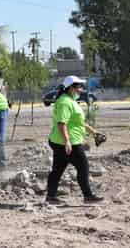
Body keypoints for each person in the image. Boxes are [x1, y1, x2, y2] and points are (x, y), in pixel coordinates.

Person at [46, 75, 104, 204]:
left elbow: (80, 122)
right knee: (83, 167)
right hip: (68, 142)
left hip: (63, 142)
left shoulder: (70, 101)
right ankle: (88, 196)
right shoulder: (64, 102)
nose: (81, 89)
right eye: (78, 86)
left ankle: (50, 197)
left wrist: (95, 133)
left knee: (57, 169)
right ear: (71, 88)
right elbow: (62, 123)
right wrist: (67, 141)